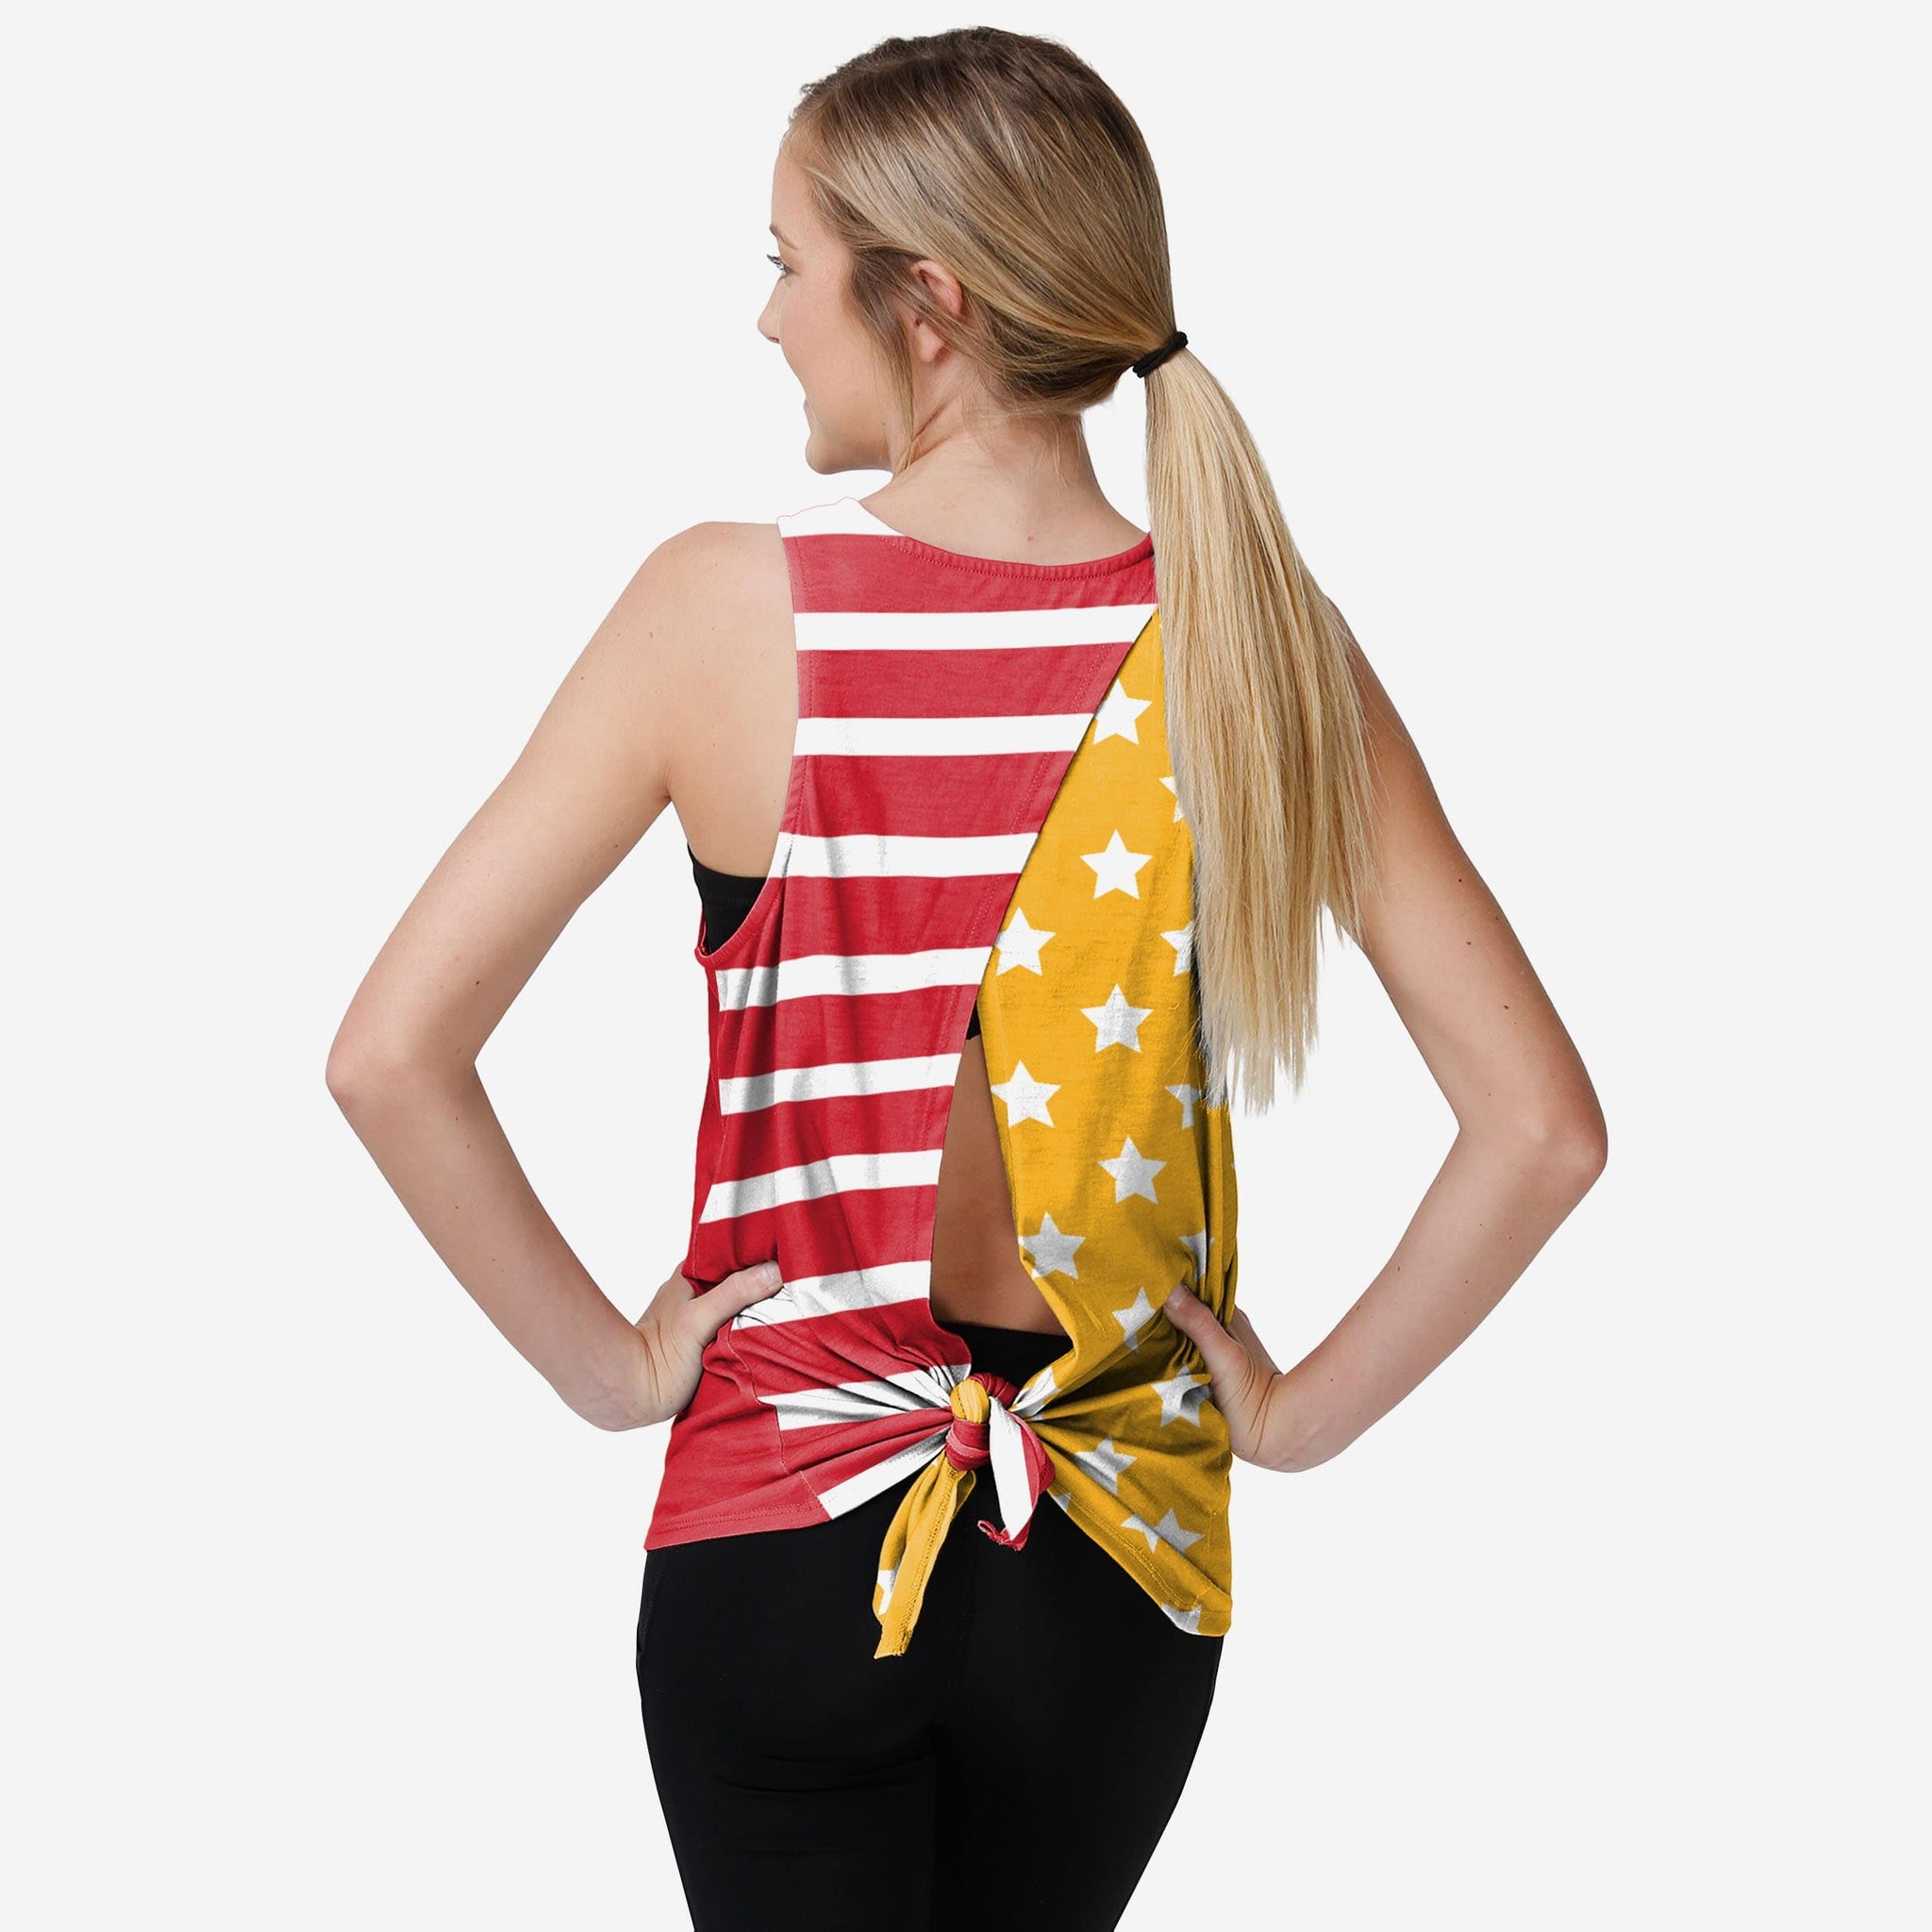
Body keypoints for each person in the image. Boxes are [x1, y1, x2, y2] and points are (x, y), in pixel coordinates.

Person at [326, 25, 1607, 1930]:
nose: (769, 319)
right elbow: (1540, 1130)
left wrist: (612, 1370)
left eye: (787, 262)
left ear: (923, 302)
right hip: (1112, 1560)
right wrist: (1295, 1415)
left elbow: (389, 1054)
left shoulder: (720, 610)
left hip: (790, 1522)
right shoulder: (1255, 644)